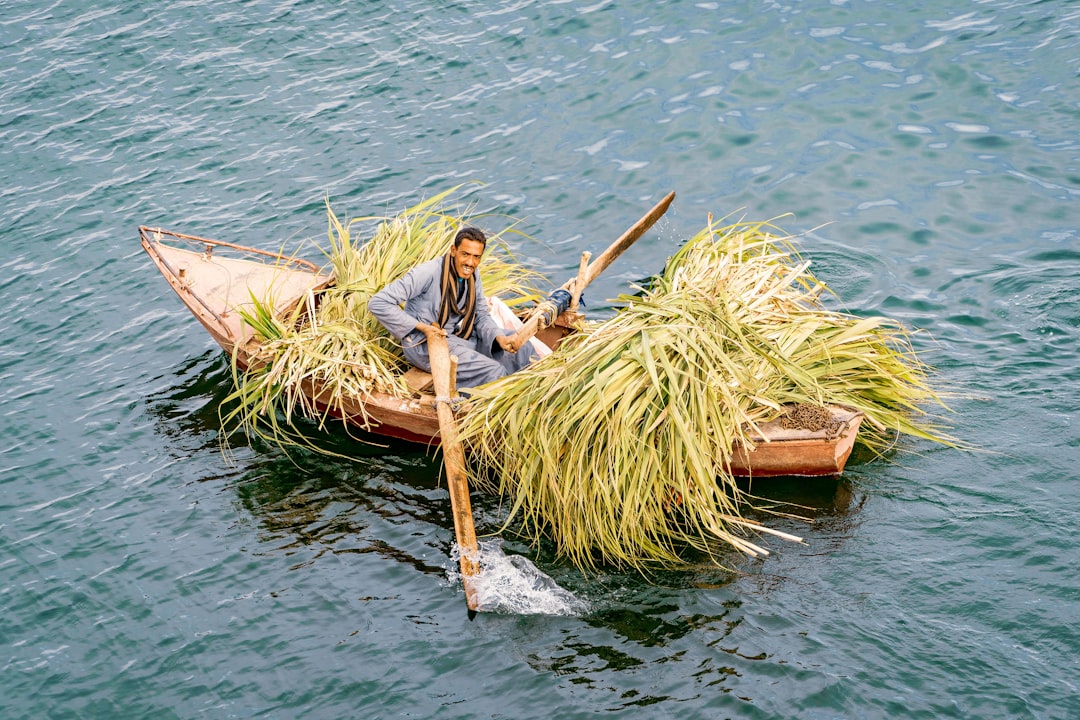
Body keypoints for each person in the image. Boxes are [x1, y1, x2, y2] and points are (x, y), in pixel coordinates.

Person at [367, 226, 540, 390]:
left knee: (523, 349)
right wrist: (423, 328)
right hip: (424, 345)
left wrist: (498, 337)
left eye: (476, 257)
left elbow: (480, 313)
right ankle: (481, 405)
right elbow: (379, 302)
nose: (470, 262)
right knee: (493, 371)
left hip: (455, 336)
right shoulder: (428, 272)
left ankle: (532, 390)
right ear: (453, 250)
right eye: (465, 254)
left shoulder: (473, 274)